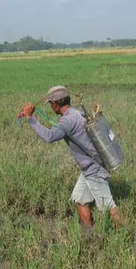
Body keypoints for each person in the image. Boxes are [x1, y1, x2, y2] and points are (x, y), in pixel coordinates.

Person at [21, 86, 122, 231]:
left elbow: (49, 137)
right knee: (80, 199)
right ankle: (89, 234)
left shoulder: (68, 120)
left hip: (94, 169)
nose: (50, 106)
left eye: (50, 103)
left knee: (109, 207)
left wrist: (30, 118)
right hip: (90, 167)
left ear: (55, 103)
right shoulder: (77, 113)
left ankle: (128, 235)